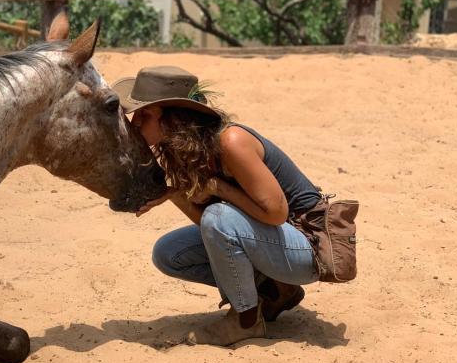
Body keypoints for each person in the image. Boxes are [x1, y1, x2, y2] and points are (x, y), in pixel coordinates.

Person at [112, 65, 322, 346]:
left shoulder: (231, 141)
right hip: (274, 243)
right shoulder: (187, 149)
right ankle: (276, 290)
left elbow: (276, 213)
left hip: (308, 249)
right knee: (168, 253)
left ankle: (245, 321)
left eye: (145, 114)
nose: (135, 122)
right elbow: (216, 231)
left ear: (173, 118)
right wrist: (174, 194)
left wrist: (219, 188)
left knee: (218, 215)